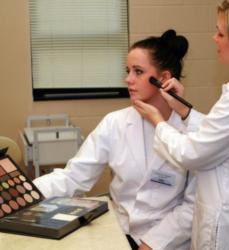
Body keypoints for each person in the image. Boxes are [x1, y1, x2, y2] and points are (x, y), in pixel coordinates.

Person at [33, 30, 204, 250]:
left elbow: (193, 205)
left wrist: (153, 244)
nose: (128, 79)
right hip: (121, 234)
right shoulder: (115, 123)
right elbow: (74, 177)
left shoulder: (194, 130)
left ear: (163, 79)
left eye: (138, 71)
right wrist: (25, 191)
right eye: (127, 70)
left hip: (170, 242)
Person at [133, 0, 229, 249]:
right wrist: (184, 110)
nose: (214, 38)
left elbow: (193, 154)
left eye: (221, 33)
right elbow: (222, 138)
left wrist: (158, 122)